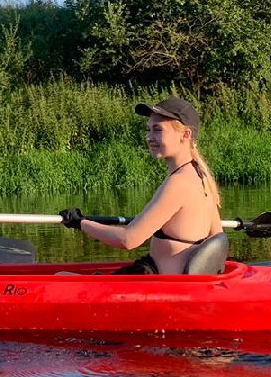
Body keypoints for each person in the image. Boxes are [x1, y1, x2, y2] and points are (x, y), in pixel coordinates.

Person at [60, 97, 223, 275]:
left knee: (60, 278)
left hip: (158, 287)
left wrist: (81, 223)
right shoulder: (200, 175)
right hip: (162, 280)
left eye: (157, 130)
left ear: (185, 135)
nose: (149, 137)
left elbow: (128, 240)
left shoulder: (179, 183)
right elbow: (218, 237)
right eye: (148, 130)